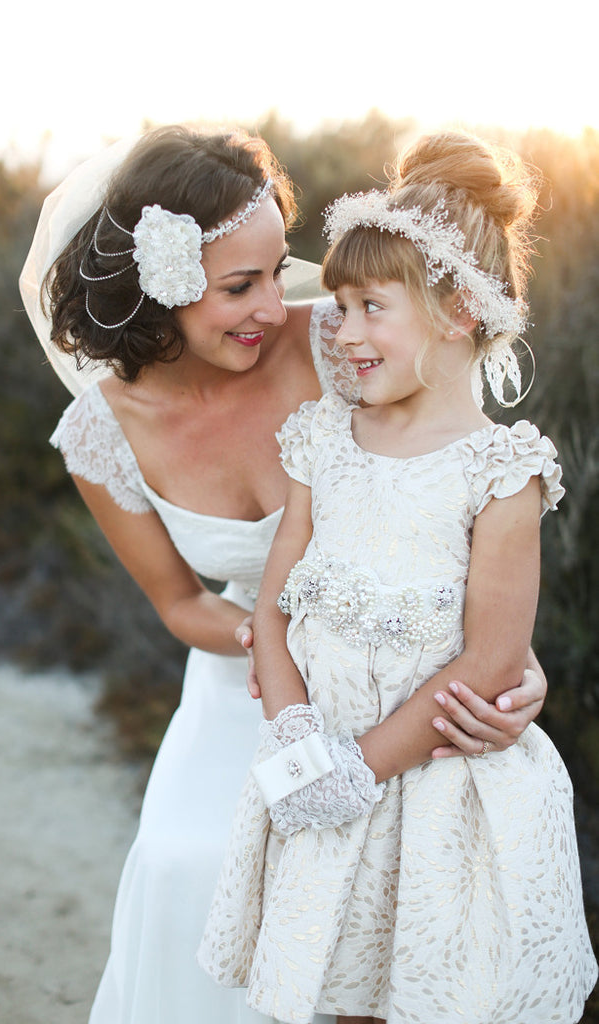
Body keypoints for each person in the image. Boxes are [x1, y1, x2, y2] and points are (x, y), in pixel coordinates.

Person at [19, 126, 551, 1024]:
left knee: (377, 886)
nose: (276, 306)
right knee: (188, 858)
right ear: (162, 290)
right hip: (248, 679)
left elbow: (456, 483)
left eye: (278, 271)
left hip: (394, 673)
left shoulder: (341, 341)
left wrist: (507, 661)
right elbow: (181, 603)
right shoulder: (99, 436)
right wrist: (278, 640)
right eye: (239, 286)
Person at [198, 132, 598, 1024]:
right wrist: (300, 735)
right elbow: (271, 611)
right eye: (335, 306)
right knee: (338, 991)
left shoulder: (501, 470)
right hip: (319, 769)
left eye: (369, 306)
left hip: (434, 789)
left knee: (429, 992)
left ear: (458, 309)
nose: (340, 330)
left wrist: (360, 769)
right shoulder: (321, 443)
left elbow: (494, 657)